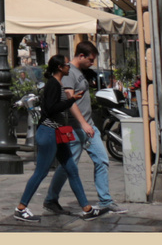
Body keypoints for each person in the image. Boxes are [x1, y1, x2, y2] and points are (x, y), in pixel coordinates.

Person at [13, 55, 101, 221]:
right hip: (49, 132)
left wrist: (70, 99)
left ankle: (87, 209)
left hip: (58, 132)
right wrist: (71, 100)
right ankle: (21, 208)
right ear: (60, 67)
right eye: (66, 64)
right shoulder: (53, 84)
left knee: (72, 169)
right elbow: (51, 108)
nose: (69, 66)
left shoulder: (57, 83)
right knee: (41, 172)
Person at [43, 40, 125, 215]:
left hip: (88, 126)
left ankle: (106, 200)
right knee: (68, 165)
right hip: (76, 127)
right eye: (90, 59)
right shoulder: (67, 73)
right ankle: (50, 199)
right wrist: (83, 123)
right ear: (81, 56)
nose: (92, 63)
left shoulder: (79, 71)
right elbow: (70, 101)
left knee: (102, 159)